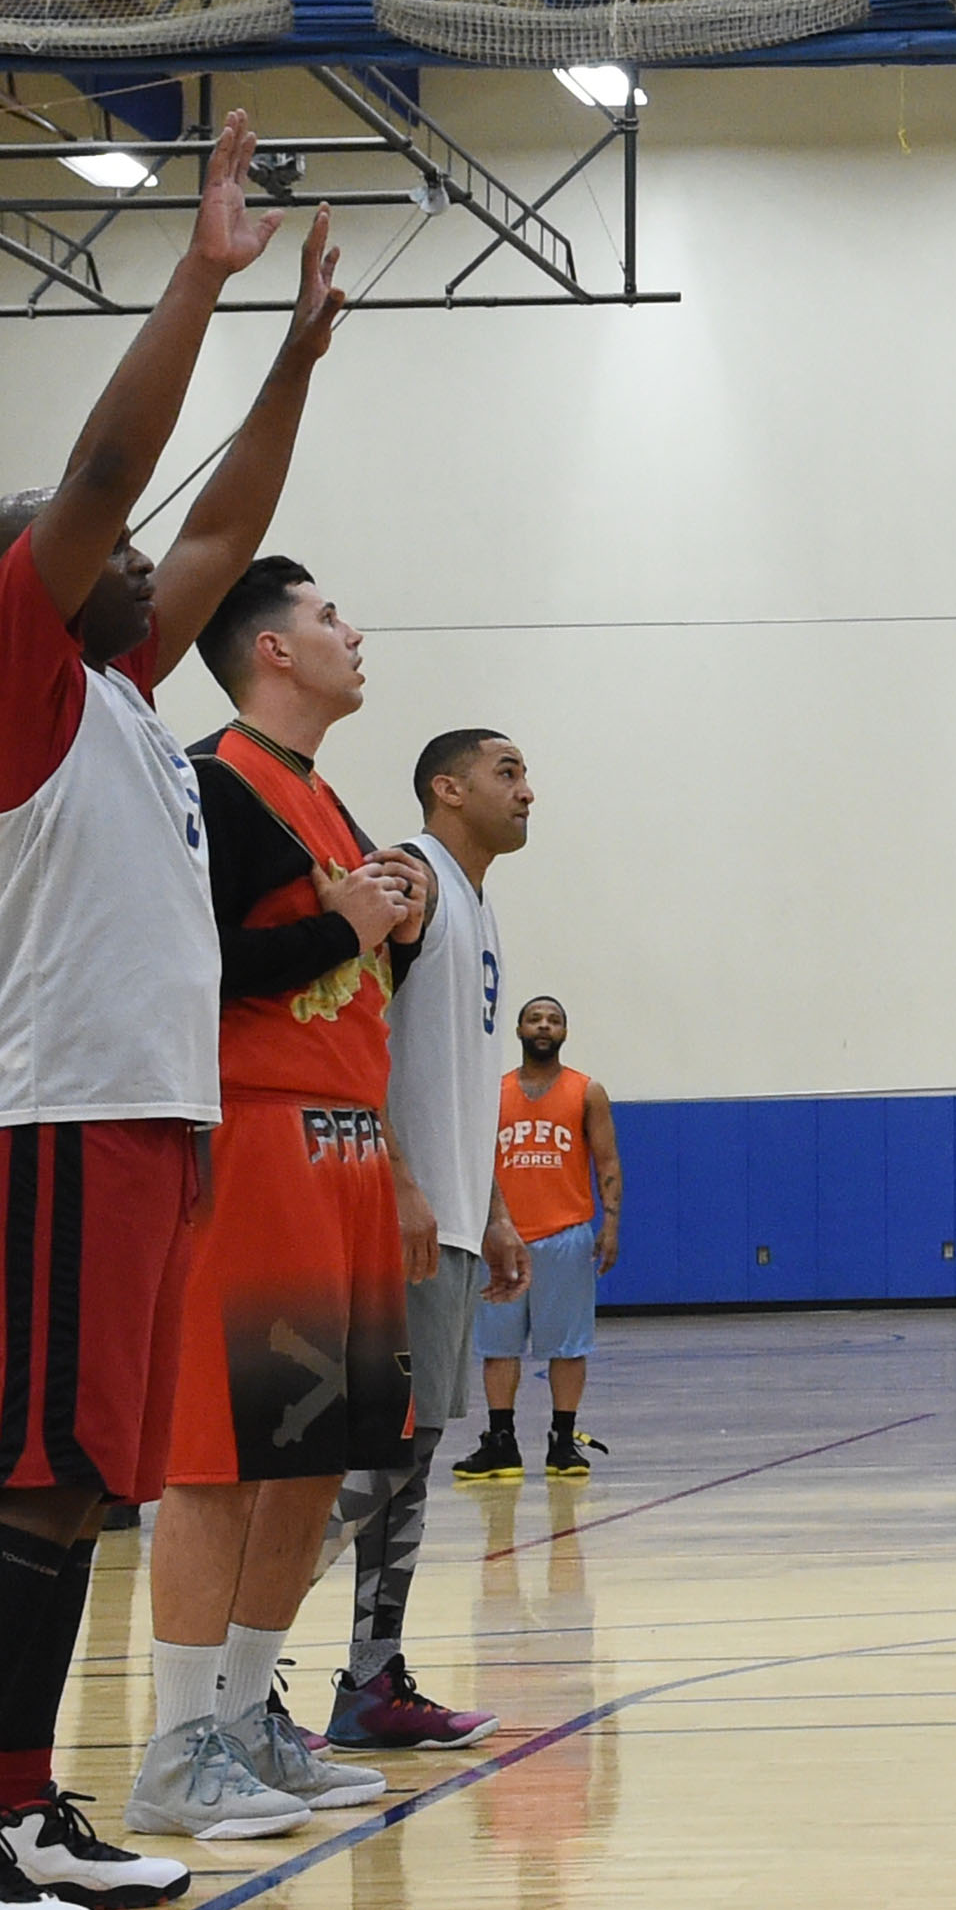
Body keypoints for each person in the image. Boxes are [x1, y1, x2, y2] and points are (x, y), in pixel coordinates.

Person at [0, 111, 341, 1910]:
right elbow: (115, 468)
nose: (156, 568)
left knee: (86, 1490)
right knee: (29, 1479)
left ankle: (11, 1804)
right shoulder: (5, 685)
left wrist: (292, 363)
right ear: (38, 581)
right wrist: (204, 276)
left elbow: (214, 515)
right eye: (104, 558)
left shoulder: (125, 704)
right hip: (46, 1119)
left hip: (139, 1123)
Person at [139, 553, 429, 1841]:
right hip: (257, 1144)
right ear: (268, 650)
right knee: (220, 1457)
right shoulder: (214, 780)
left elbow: (346, 965)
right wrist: (345, 929)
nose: (350, 632)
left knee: (312, 1453)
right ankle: (175, 1740)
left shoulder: (324, 797)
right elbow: (184, 963)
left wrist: (383, 925)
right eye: (326, 617)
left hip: (345, 1148)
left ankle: (253, 1712)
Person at [325, 728, 536, 1743]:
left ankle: (371, 1679)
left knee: (405, 1459)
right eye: (507, 771)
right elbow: (341, 1032)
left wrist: (489, 1205)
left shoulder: (479, 902)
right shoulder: (410, 878)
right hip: (391, 1214)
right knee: (352, 1467)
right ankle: (232, 1685)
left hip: (451, 1216)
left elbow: (453, 1075)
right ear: (445, 789)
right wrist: (401, 1177)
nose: (528, 789)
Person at [461, 993, 620, 1481]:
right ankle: (501, 1442)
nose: (544, 1026)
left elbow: (607, 1160)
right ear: (519, 1031)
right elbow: (475, 1157)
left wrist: (610, 1222)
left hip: (565, 1235)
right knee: (498, 1347)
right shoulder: (493, 1091)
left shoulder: (586, 1091)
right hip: (503, 1239)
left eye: (554, 1020)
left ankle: (563, 1440)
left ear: (565, 1033)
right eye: (535, 1019)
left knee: (568, 1346)